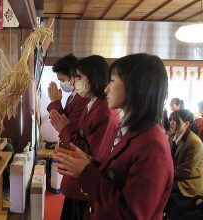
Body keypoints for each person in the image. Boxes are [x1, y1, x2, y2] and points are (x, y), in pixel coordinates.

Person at [53, 53, 173, 220]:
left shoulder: (152, 145)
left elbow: (132, 213)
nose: (106, 87)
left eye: (113, 80)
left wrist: (86, 170)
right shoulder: (134, 131)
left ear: (135, 85)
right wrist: (87, 163)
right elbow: (115, 176)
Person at [50, 55, 119, 220]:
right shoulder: (93, 102)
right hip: (78, 181)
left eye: (79, 77)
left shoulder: (104, 110)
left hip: (84, 185)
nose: (74, 82)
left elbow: (91, 154)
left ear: (93, 77)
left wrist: (64, 129)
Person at [165, 109, 203, 217]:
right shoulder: (171, 137)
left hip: (190, 183)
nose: (171, 122)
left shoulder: (195, 142)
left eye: (176, 120)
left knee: (163, 190)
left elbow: (187, 170)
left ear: (186, 124)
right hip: (178, 178)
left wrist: (165, 175)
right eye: (171, 119)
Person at [47, 54, 89, 147]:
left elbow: (65, 126)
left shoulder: (83, 98)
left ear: (73, 75)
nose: (62, 84)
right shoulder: (72, 96)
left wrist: (55, 102)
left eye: (62, 80)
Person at [169, 155, 203, 220]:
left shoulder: (196, 145)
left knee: (188, 216)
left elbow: (188, 169)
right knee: (178, 208)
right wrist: (202, 196)